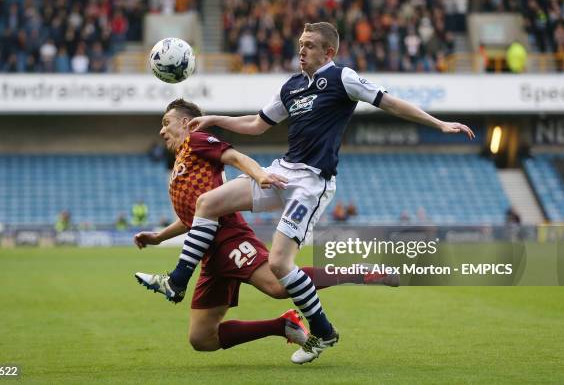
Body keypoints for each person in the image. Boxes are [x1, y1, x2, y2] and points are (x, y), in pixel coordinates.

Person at [153, 22, 473, 364]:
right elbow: (257, 125)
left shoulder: (342, 78)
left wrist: (439, 124)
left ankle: (322, 330)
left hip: (311, 183)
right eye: (300, 44)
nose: (300, 50)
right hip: (284, 171)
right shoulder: (291, 87)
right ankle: (178, 279)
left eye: (308, 45)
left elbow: (390, 103)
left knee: (278, 264)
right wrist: (216, 118)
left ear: (328, 52)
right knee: (208, 202)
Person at [134, 99, 397, 357]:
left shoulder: (197, 140)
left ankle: (359, 271)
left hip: (228, 237)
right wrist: (159, 237)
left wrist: (259, 175)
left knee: (278, 287)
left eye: (166, 123)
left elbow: (235, 156)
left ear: (184, 122)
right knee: (202, 339)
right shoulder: (183, 161)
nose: (161, 130)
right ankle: (282, 325)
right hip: (206, 252)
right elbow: (193, 217)